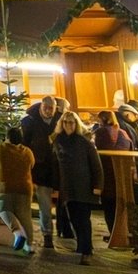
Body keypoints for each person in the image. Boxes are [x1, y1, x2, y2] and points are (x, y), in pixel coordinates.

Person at [53, 111, 104, 265]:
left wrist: (98, 185)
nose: (69, 125)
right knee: (74, 219)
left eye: (72, 122)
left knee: (83, 219)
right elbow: (55, 166)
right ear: (62, 124)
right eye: (66, 122)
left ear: (76, 124)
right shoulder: (57, 141)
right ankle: (83, 245)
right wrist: (56, 186)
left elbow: (96, 165)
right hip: (67, 188)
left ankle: (86, 251)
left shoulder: (84, 142)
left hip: (83, 186)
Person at [18, 97, 62, 249]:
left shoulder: (61, 121)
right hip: (39, 170)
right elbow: (23, 146)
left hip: (58, 169)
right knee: (44, 205)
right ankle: (47, 234)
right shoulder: (30, 122)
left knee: (59, 204)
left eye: (51, 108)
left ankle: (63, 230)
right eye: (46, 107)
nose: (49, 110)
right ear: (41, 107)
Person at [0, 126, 37, 253]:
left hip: (6, 187)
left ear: (7, 137)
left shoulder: (1, 149)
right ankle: (29, 245)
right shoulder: (27, 151)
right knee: (25, 216)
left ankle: (18, 233)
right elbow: (32, 164)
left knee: (4, 210)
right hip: (25, 187)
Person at [91, 109, 136, 234]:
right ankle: (125, 231)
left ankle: (113, 233)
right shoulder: (123, 133)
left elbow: (95, 151)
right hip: (123, 175)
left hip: (106, 174)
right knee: (122, 205)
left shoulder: (100, 133)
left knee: (109, 206)